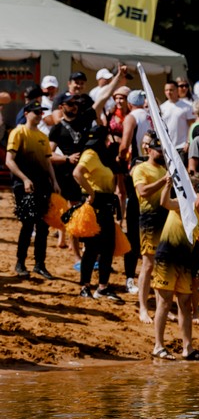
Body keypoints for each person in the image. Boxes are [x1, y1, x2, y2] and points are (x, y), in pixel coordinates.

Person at [152, 180, 199, 360]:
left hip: (185, 262)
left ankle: (188, 348)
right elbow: (165, 203)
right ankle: (158, 346)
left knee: (185, 304)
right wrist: (167, 185)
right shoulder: (184, 203)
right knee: (165, 301)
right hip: (167, 257)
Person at [7, 102, 60, 278]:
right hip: (24, 185)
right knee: (28, 224)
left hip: (42, 184)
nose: (39, 115)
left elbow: (47, 162)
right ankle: (20, 263)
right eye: (35, 112)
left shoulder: (42, 137)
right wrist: (24, 179)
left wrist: (54, 181)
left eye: (41, 112)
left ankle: (40, 264)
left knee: (43, 226)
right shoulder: (18, 132)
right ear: (27, 113)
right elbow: (9, 160)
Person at [72, 128, 124, 301]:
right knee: (92, 248)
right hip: (95, 205)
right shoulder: (91, 154)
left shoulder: (103, 156)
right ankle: (85, 286)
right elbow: (77, 172)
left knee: (108, 248)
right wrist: (91, 193)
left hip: (106, 205)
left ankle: (103, 287)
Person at [131, 135, 171, 322]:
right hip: (149, 219)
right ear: (148, 150)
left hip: (164, 219)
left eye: (161, 149)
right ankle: (143, 308)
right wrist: (164, 181)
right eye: (157, 149)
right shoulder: (141, 169)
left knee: (162, 265)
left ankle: (162, 306)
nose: (160, 152)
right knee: (147, 265)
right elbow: (143, 191)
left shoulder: (164, 169)